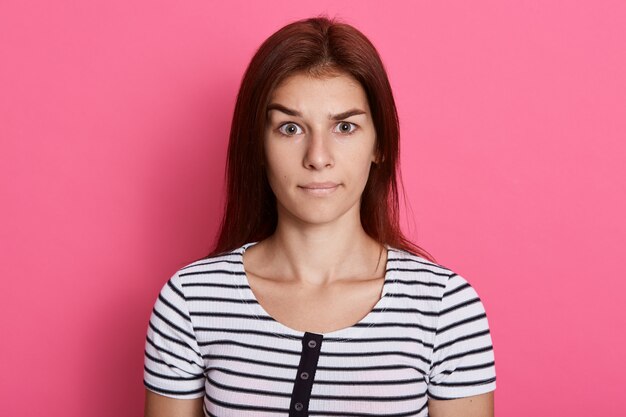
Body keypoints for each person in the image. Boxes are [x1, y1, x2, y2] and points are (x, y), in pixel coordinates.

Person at [143, 16, 496, 417]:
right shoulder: (190, 302)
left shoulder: (445, 309)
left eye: (345, 127)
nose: (318, 158)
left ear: (379, 144)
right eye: (290, 128)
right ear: (257, 145)